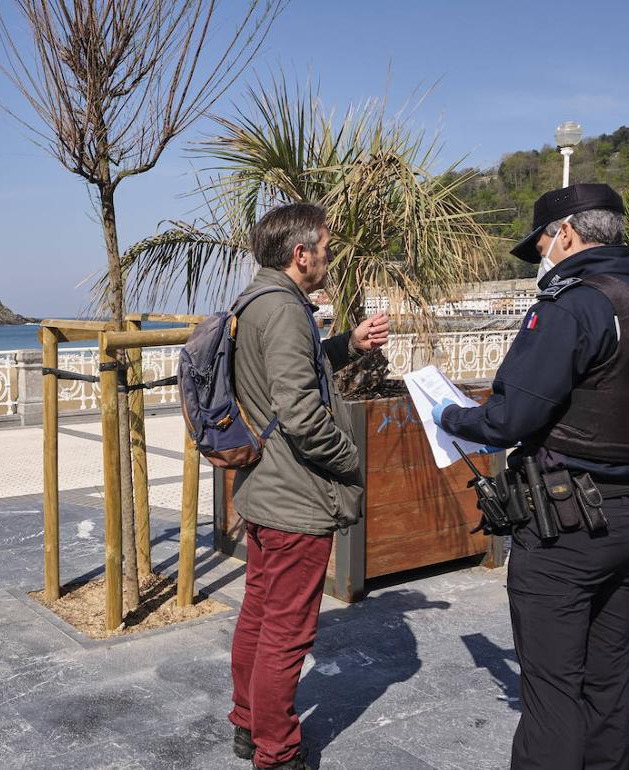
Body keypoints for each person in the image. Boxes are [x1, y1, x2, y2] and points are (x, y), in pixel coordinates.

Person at [433, 183, 629, 770]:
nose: (542, 257)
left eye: (543, 244)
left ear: (566, 234)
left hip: (564, 525)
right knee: (609, 681)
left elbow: (511, 418)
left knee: (552, 691)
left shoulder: (572, 306)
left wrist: (447, 414)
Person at [228, 203, 389, 770]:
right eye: (325, 247)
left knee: (258, 613)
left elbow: (294, 368)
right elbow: (299, 413)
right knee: (286, 632)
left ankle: (248, 723)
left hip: (263, 489)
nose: (328, 257)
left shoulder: (256, 301)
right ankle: (277, 752)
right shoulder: (285, 310)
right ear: (301, 254)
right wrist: (350, 459)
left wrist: (349, 344)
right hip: (295, 497)